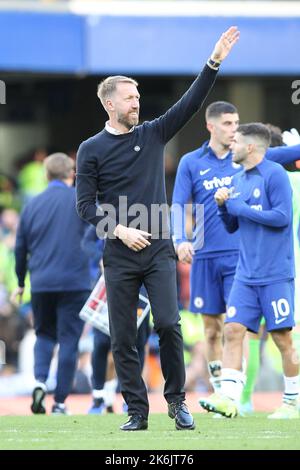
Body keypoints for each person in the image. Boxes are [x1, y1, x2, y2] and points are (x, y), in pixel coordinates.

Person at [76, 26, 240, 431]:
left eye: (137, 97)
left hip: (159, 249)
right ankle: (136, 411)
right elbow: (84, 206)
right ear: (109, 104)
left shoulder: (152, 133)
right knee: (124, 338)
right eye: (130, 98)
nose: (137, 103)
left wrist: (213, 60)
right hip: (118, 253)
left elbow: (191, 102)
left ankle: (177, 401)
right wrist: (119, 231)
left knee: (169, 324)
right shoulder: (90, 149)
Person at [172, 102, 300, 396]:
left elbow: (293, 153)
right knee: (211, 331)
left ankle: (238, 397)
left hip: (239, 258)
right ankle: (221, 393)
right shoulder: (191, 162)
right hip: (205, 256)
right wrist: (180, 240)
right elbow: (179, 204)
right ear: (211, 127)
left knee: (237, 328)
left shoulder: (249, 155)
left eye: (236, 123)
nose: (234, 129)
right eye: (228, 124)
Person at [199, 123, 299, 419]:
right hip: (246, 272)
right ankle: (229, 398)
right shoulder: (238, 178)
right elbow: (233, 225)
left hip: (275, 273)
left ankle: (292, 402)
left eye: (236, 142)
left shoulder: (276, 175)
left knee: (282, 339)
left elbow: (281, 218)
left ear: (251, 147)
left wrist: (238, 207)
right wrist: (222, 207)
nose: (231, 146)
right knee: (232, 330)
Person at [12, 153, 91, 415]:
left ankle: (39, 382)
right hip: (75, 281)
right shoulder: (81, 200)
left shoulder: (32, 205)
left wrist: (21, 282)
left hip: (42, 282)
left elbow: (20, 248)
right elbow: (97, 238)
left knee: (44, 334)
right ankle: (59, 402)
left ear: (46, 175)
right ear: (72, 174)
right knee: (69, 339)